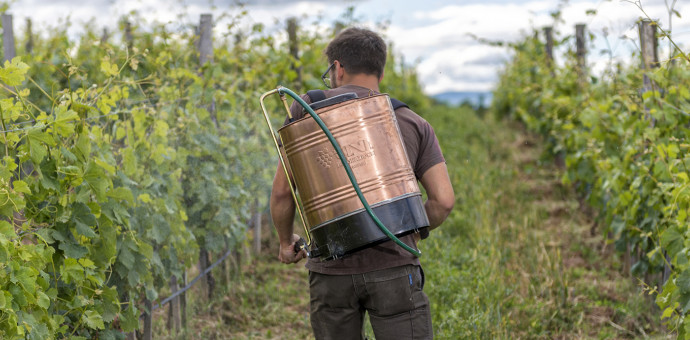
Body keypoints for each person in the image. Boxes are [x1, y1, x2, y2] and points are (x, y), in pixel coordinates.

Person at [270, 27, 455, 340]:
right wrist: (407, 228)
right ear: (380, 70)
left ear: (338, 68)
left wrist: (286, 242)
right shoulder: (411, 120)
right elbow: (444, 201)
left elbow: (282, 191)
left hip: (332, 273)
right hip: (394, 268)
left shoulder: (307, 112)